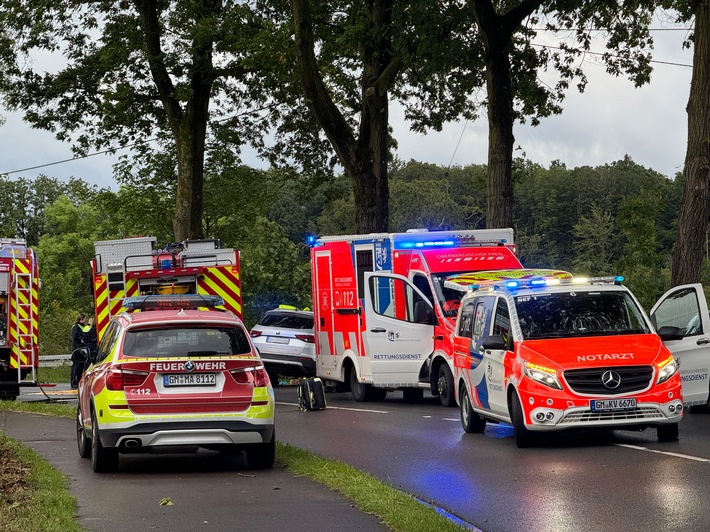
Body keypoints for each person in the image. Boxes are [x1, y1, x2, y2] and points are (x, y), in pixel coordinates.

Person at [70, 313, 86, 388]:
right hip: (77, 348)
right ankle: (74, 381)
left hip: (80, 348)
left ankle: (78, 380)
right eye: (84, 319)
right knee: (76, 365)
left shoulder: (81, 326)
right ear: (81, 319)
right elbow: (76, 337)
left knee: (80, 366)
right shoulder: (77, 326)